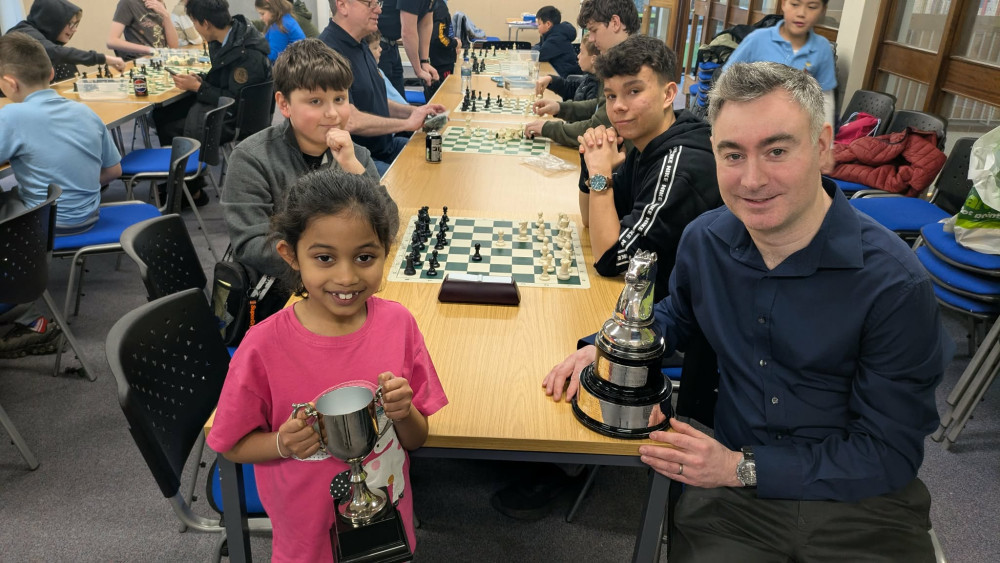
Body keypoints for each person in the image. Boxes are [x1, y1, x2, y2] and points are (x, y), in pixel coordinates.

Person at [544, 62, 949, 561]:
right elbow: (678, 317)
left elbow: (888, 453)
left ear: (823, 147)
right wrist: (607, 349)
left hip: (861, 502)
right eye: (732, 154)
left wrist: (740, 466)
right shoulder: (706, 241)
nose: (752, 179)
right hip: (736, 506)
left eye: (776, 150)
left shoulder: (893, 284)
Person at [208, 168, 448, 562]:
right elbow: (231, 444)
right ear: (290, 255)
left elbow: (416, 439)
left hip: (387, 525)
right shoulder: (263, 346)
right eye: (324, 258)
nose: (346, 276)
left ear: (387, 250)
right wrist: (283, 443)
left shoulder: (398, 324)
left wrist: (404, 414)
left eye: (365, 257)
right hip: (307, 540)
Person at [0, 32, 122, 358]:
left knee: (7, 201)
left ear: (9, 84)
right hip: (88, 217)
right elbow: (114, 172)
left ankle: (22, 311)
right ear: (52, 73)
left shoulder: (10, 116)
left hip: (47, 226)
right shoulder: (85, 112)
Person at [577, 34, 721, 299]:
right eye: (610, 95)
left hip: (680, 322)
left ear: (668, 94)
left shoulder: (680, 164)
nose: (618, 106)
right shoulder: (648, 145)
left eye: (634, 91)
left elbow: (611, 259)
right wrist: (591, 163)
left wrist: (599, 173)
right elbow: (591, 222)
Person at [223, 38, 380, 279]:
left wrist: (354, 168)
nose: (332, 113)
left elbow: (386, 226)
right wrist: (325, 263)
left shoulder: (356, 155)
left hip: (346, 278)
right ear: (284, 104)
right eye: (315, 101)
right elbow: (251, 244)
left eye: (339, 99)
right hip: (280, 287)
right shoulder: (250, 158)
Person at [151, 0, 271, 205]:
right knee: (163, 113)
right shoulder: (227, 40)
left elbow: (233, 101)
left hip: (236, 119)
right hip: (227, 108)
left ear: (205, 23)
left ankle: (192, 189)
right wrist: (201, 80)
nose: (195, 29)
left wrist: (199, 88)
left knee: (171, 126)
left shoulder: (246, 54)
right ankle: (184, 181)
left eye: (194, 23)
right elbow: (223, 80)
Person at [320, 0, 446, 176]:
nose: (379, 9)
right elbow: (349, 120)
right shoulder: (328, 54)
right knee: (415, 182)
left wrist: (414, 112)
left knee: (441, 154)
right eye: (370, 3)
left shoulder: (361, 44)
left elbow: (376, 101)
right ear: (342, 5)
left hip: (386, 147)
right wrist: (406, 124)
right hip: (358, 159)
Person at [524, 0, 638, 148]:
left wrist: (548, 128)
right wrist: (560, 108)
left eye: (594, 30)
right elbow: (600, 106)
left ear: (615, 23)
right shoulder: (618, 61)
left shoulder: (630, 67)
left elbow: (597, 128)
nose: (591, 38)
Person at [723, 0, 836, 127]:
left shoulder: (822, 48)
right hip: (751, 123)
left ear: (822, 10)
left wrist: (826, 140)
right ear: (783, 4)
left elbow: (825, 98)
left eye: (812, 7)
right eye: (794, 4)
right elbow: (726, 80)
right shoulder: (757, 40)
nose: (801, 13)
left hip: (794, 128)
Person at [7, 0, 126, 82]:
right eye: (70, 24)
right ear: (52, 20)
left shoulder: (47, 37)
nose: (75, 29)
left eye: (75, 24)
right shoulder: (23, 33)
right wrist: (104, 58)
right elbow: (54, 52)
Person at [377, 0, 437, 97]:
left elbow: (425, 24)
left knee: (399, 98)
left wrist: (424, 61)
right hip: (377, 45)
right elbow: (408, 32)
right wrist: (418, 70)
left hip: (391, 45)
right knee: (384, 100)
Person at [107, 0, 179, 60]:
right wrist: (150, 50)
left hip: (161, 59)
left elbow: (174, 45)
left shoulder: (158, 3)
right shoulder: (128, 3)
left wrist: (166, 15)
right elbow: (112, 42)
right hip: (141, 61)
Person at [534, 36, 599, 103]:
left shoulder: (595, 89)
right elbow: (571, 88)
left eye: (581, 52)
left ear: (593, 59)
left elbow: (583, 112)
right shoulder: (589, 77)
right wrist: (551, 80)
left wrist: (559, 108)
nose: (578, 56)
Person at [532, 6, 582, 77]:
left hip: (565, 76)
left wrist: (535, 48)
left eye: (539, 24)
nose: (538, 27)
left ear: (548, 24)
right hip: (561, 72)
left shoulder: (556, 38)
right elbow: (541, 47)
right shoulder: (554, 34)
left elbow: (539, 56)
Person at [365, 31, 409, 106]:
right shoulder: (372, 76)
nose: (381, 49)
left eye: (379, 45)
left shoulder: (379, 72)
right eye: (375, 48)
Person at [425, 0, 457, 99]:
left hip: (432, 60)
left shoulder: (432, 4)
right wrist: (455, 43)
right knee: (442, 100)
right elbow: (438, 37)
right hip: (441, 64)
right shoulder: (440, 7)